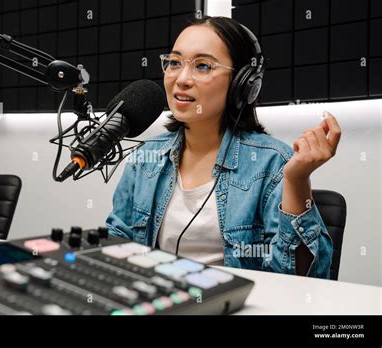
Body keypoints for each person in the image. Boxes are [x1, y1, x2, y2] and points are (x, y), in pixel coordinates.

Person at [106, 16, 341, 278]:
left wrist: (297, 180)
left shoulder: (273, 162)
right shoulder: (146, 157)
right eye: (174, 63)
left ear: (243, 84)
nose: (182, 79)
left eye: (203, 66)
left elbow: (302, 282)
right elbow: (118, 245)